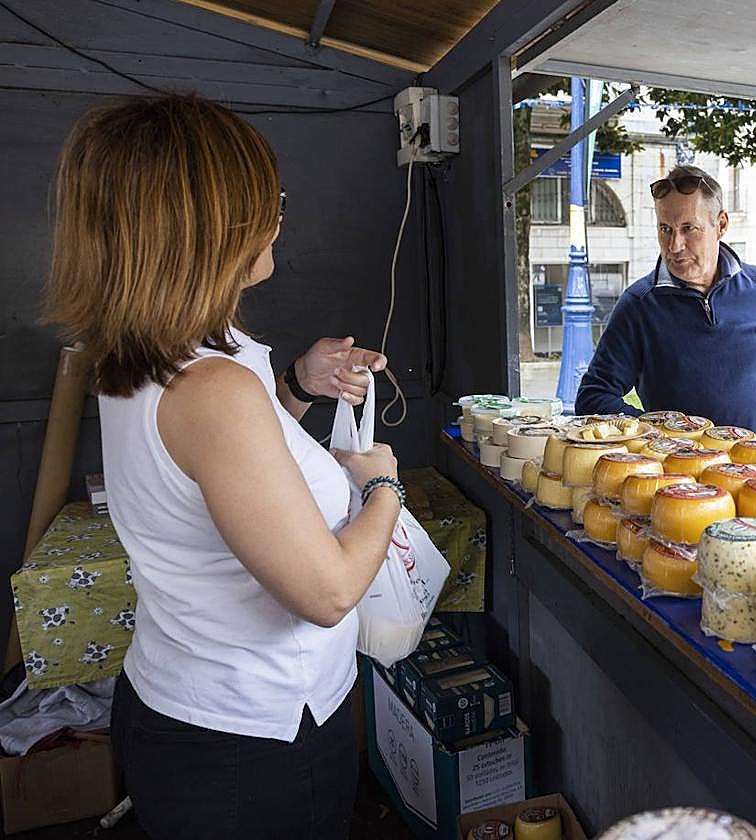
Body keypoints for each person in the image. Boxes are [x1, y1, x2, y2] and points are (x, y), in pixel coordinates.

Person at [44, 94, 400, 839]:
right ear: (212, 226)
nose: (277, 213)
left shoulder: (152, 354)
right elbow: (330, 591)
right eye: (265, 198)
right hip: (250, 745)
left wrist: (298, 386)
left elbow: (221, 470)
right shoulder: (214, 389)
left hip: (186, 709)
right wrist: (383, 486)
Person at [575, 164, 756, 438]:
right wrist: (660, 432)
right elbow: (593, 397)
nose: (675, 245)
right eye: (665, 229)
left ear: (720, 225)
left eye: (688, 228)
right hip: (678, 475)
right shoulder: (639, 304)